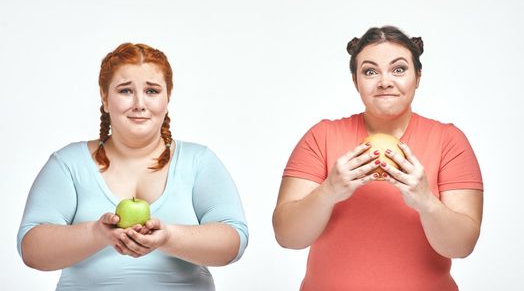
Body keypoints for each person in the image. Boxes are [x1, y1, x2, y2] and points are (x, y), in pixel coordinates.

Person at [17, 43, 248, 291]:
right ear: (105, 98)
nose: (139, 103)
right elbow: (31, 249)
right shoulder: (68, 164)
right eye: (125, 91)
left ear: (168, 98)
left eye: (152, 91)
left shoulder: (199, 161)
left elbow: (234, 242)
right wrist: (97, 234)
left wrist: (169, 237)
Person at [272, 26, 483, 291]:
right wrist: (329, 190)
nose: (384, 81)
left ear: (418, 76)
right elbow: (288, 237)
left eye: (398, 69)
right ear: (355, 81)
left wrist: (426, 202)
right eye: (370, 71)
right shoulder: (322, 136)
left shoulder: (449, 140)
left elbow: (462, 246)